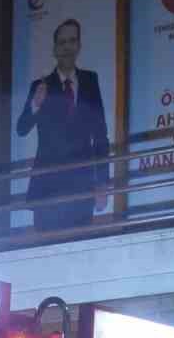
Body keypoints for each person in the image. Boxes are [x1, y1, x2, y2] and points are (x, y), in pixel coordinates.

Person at [15, 17, 110, 232]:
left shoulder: (90, 81)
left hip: (82, 186)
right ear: (55, 49)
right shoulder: (40, 86)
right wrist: (35, 104)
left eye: (72, 41)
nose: (67, 47)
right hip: (48, 188)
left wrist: (102, 183)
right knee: (44, 254)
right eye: (62, 42)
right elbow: (21, 129)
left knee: (80, 252)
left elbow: (101, 136)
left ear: (79, 46)